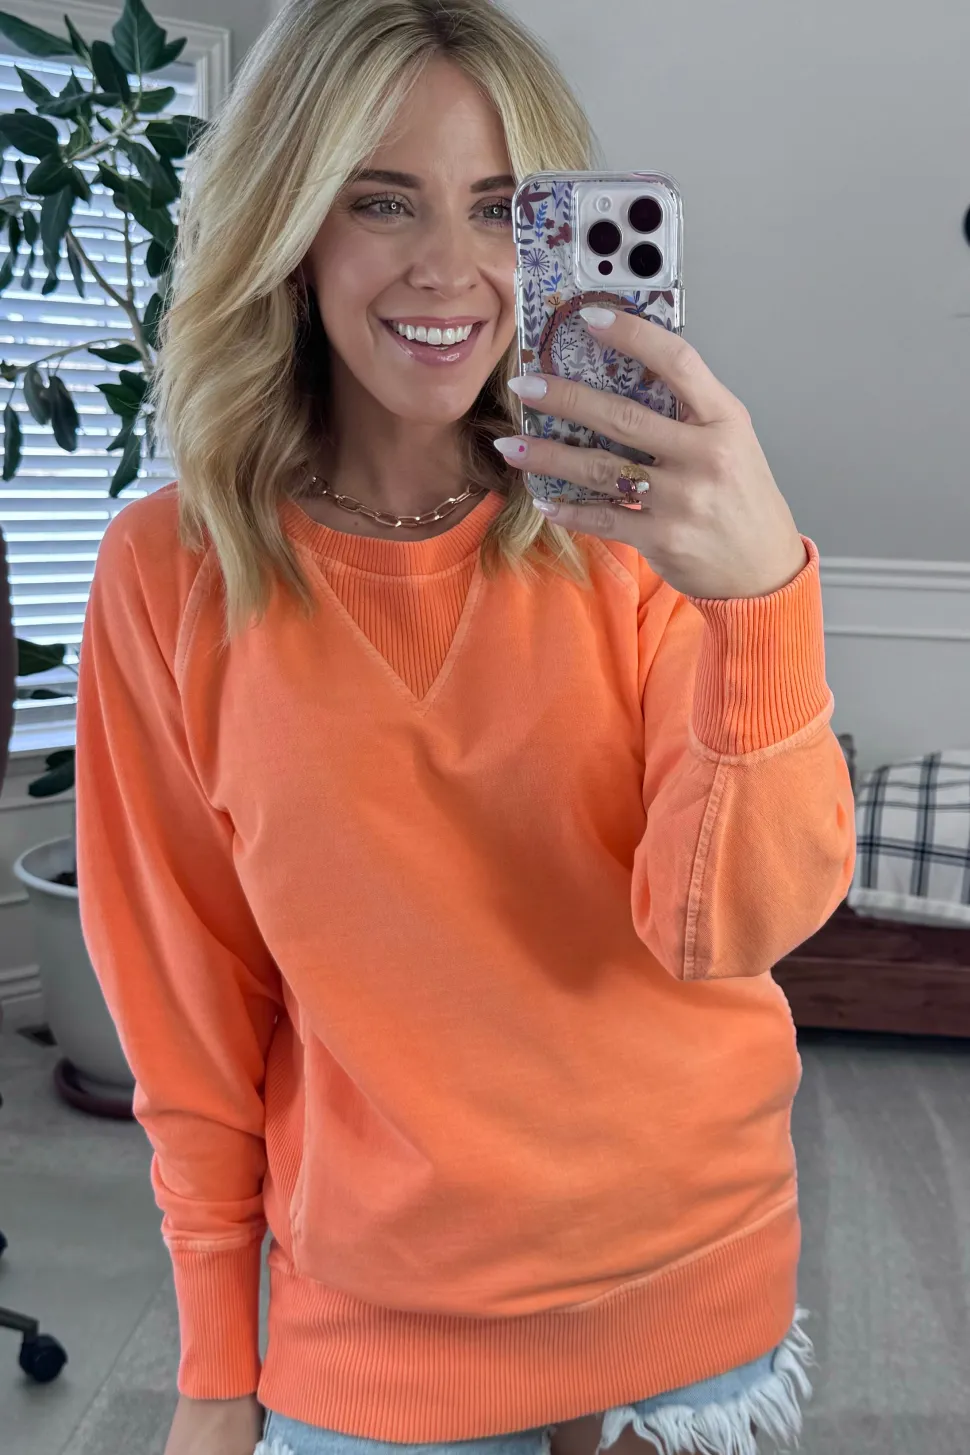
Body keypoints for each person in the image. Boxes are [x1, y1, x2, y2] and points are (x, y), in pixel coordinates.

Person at [74, 2, 855, 1453]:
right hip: (379, 1309)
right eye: (382, 201)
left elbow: (725, 930)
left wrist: (759, 605)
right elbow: (188, 1006)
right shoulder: (170, 573)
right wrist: (212, 1367)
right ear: (292, 227)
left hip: (686, 1261)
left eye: (500, 208)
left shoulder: (641, 529)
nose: (447, 269)